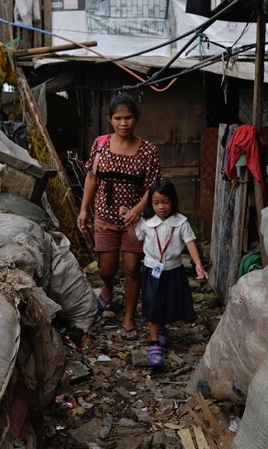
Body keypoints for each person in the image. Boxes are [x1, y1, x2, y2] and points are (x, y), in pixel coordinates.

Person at [77, 93, 161, 341]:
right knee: (106, 268)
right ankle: (107, 287)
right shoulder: (100, 145)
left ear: (136, 119)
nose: (123, 123)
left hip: (135, 220)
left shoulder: (147, 150)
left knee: (133, 268)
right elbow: (92, 177)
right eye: (118, 118)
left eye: (128, 117)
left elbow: (153, 185)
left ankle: (129, 317)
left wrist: (137, 209)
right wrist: (84, 209)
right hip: (104, 215)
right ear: (110, 120)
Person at [132, 179, 207, 366]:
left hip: (173, 270)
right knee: (152, 302)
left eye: (165, 202)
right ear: (150, 203)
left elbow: (190, 242)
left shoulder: (181, 222)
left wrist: (198, 265)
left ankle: (161, 328)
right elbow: (136, 239)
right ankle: (154, 342)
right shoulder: (146, 222)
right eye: (156, 203)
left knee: (168, 301)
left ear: (173, 201)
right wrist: (129, 224)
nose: (161, 207)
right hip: (151, 270)